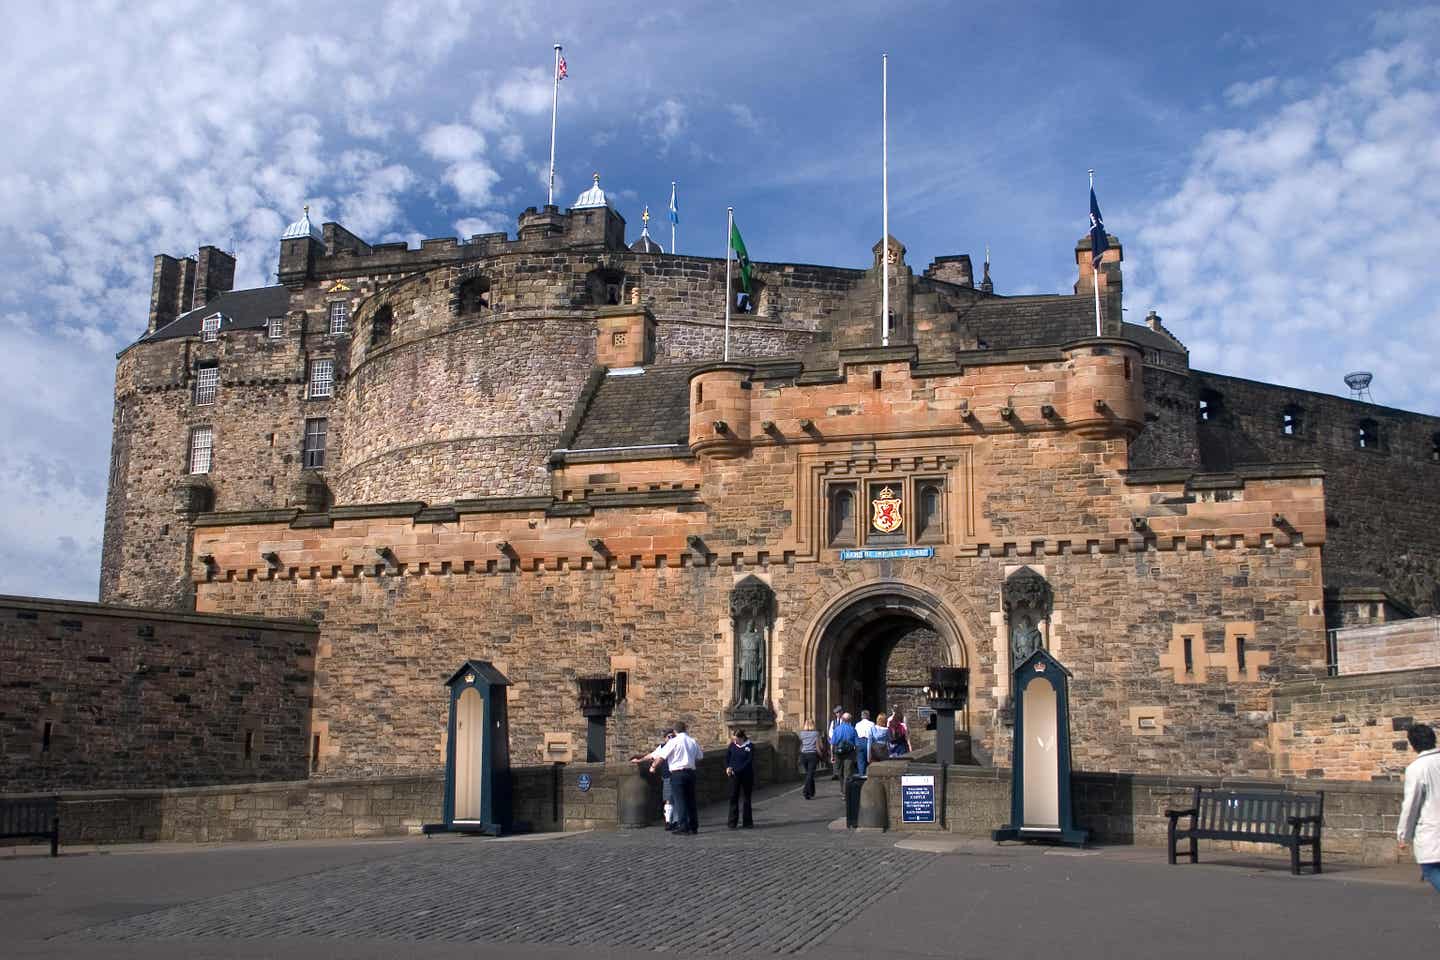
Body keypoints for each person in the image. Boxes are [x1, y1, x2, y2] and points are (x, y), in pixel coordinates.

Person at [1397, 721, 1440, 892]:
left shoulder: (1416, 768)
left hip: (1432, 829)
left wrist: (1403, 835)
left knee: (1429, 870)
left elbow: (1411, 805)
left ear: (1413, 745)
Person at [650, 719, 703, 834]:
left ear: (674, 731)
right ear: (685, 729)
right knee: (691, 800)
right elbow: (700, 756)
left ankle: (683, 826)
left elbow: (662, 757)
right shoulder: (692, 741)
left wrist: (653, 766)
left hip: (678, 773)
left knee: (680, 801)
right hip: (690, 772)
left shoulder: (673, 742)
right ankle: (693, 826)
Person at [631, 729, 677, 830]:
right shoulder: (662, 747)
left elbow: (658, 759)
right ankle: (669, 822)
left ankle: (677, 821)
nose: (671, 739)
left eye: (673, 736)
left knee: (678, 799)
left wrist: (653, 766)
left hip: (678, 774)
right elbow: (652, 755)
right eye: (669, 737)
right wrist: (640, 760)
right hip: (668, 776)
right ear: (665, 739)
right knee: (669, 799)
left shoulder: (679, 745)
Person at [726, 728, 755, 829]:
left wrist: (737, 770)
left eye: (736, 739)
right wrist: (728, 767)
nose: (735, 741)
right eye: (734, 739)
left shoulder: (749, 746)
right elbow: (728, 757)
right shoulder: (732, 745)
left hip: (746, 775)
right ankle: (732, 822)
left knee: (746, 798)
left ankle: (747, 822)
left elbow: (748, 761)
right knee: (733, 797)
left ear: (742, 738)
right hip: (734, 776)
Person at [798, 718, 823, 799]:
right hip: (812, 755)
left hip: (803, 755)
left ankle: (811, 792)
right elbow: (819, 746)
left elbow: (801, 746)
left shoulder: (801, 734)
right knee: (810, 774)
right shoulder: (816, 733)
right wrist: (821, 754)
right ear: (813, 725)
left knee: (809, 774)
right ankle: (805, 791)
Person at [831, 711, 859, 784]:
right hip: (849, 753)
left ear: (842, 719)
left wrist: (832, 755)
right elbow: (857, 744)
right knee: (848, 772)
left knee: (839, 771)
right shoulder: (853, 729)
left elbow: (833, 743)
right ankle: (846, 790)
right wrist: (856, 755)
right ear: (850, 720)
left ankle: (842, 789)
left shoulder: (836, 729)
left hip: (838, 752)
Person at [853, 710, 875, 777]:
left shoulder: (857, 724)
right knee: (869, 759)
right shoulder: (872, 724)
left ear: (862, 716)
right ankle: (869, 775)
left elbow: (855, 734)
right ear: (868, 716)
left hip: (859, 742)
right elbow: (873, 734)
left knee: (860, 760)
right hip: (868, 741)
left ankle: (861, 775)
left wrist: (855, 745)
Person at [827, 705, 845, 780]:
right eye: (836, 713)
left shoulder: (845, 721)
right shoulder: (833, 722)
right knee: (834, 756)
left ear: (842, 712)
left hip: (843, 742)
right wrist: (833, 738)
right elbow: (830, 732)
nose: (837, 714)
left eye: (838, 712)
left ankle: (841, 772)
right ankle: (835, 773)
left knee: (843, 757)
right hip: (836, 742)